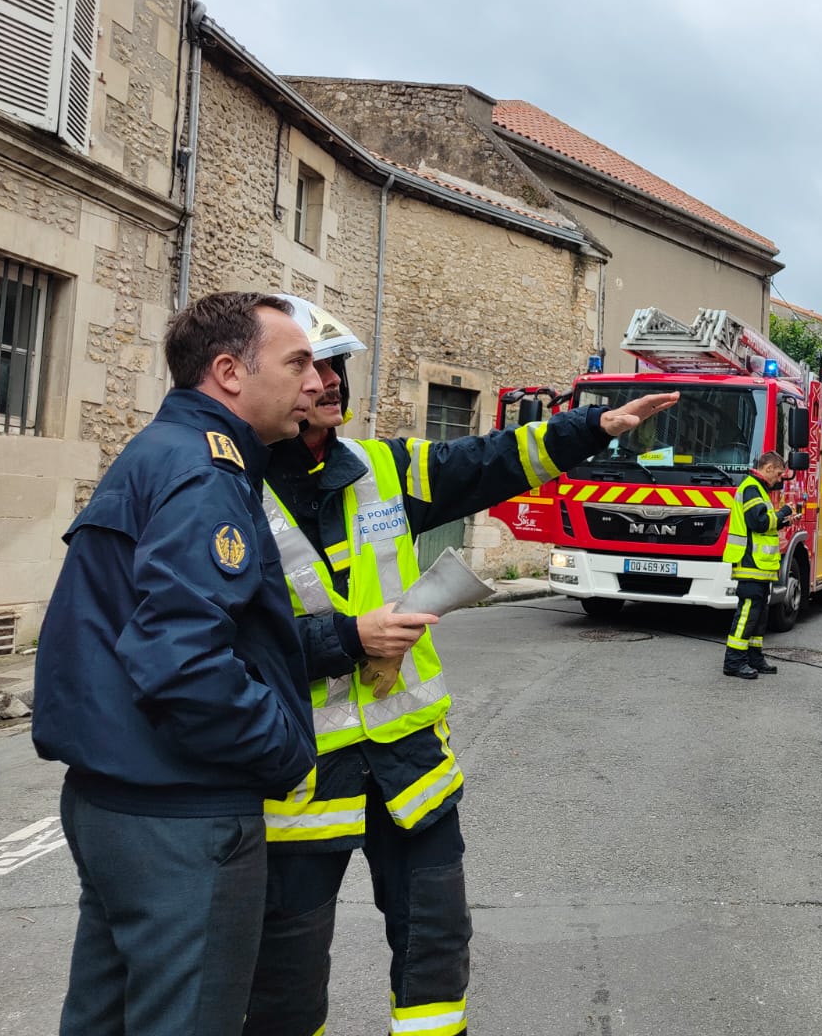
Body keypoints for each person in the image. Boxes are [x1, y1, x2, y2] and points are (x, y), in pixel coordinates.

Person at [244, 296, 676, 1036]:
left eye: (339, 363)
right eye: (311, 365)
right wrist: (347, 640)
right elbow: (237, 640)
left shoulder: (381, 466)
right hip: (303, 776)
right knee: (285, 976)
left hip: (413, 770)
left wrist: (590, 429)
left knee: (436, 951)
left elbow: (487, 462)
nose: (332, 380)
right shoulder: (231, 492)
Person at [32, 292, 322, 1036]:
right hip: (180, 817)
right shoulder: (205, 472)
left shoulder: (161, 451)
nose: (316, 383)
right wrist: (281, 748)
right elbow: (185, 661)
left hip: (114, 800)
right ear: (229, 372)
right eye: (298, 363)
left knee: (105, 1019)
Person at [722, 450, 794, 679]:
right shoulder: (751, 488)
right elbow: (759, 522)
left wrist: (781, 520)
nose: (780, 479)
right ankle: (733, 662)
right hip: (751, 564)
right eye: (780, 473)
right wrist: (782, 514)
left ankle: (754, 657)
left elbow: (764, 525)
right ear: (769, 468)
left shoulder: (758, 489)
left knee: (759, 615)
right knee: (747, 614)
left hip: (761, 566)